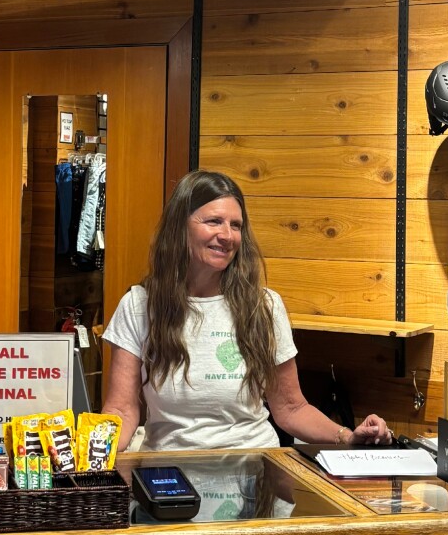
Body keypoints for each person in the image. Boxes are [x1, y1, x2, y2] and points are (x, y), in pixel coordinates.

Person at [102, 169, 390, 451]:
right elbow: (122, 409)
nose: (227, 235)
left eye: (236, 225)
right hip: (170, 478)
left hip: (256, 474)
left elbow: (291, 408)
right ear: (180, 227)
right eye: (214, 221)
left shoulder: (263, 306)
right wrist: (90, 461)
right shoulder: (139, 305)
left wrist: (347, 436)